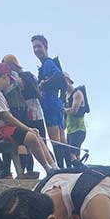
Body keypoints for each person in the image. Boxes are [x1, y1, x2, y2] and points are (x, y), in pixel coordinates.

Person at [0, 63, 56, 173]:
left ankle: (53, 167)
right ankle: (48, 168)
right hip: (0, 131)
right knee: (32, 137)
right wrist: (27, 128)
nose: (9, 83)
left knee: (35, 135)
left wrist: (29, 129)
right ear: (5, 76)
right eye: (9, 80)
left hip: (0, 129)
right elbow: (6, 116)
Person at [31, 35, 69, 169]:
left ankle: (61, 169)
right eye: (34, 47)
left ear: (45, 47)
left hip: (50, 102)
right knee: (61, 138)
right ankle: (68, 166)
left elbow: (58, 75)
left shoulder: (47, 63)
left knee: (55, 140)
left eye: (39, 46)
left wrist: (42, 84)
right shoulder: (46, 64)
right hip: (56, 103)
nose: (36, 49)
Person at [64, 74, 88, 166]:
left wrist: (62, 109)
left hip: (79, 129)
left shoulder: (77, 94)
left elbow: (74, 111)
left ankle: (80, 168)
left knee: (71, 153)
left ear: (69, 81)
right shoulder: (66, 96)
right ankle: (78, 170)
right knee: (76, 154)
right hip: (70, 130)